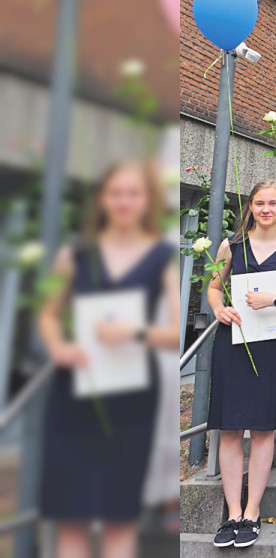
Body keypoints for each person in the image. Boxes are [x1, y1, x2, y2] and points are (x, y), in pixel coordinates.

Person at [37, 163, 182, 558]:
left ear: (146, 200)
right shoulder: (75, 254)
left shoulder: (162, 258)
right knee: (72, 516)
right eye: (115, 192)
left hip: (132, 397)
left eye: (133, 193)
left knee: (120, 517)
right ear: (102, 198)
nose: (123, 202)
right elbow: (48, 313)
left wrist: (134, 334)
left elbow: (175, 332)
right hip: (74, 393)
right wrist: (59, 348)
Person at [203, 180, 276, 548]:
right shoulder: (231, 244)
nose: (266, 209)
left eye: (273, 203)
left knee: (263, 427)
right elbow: (214, 287)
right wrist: (219, 309)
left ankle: (252, 512)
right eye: (259, 203)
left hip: (270, 343)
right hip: (232, 340)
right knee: (231, 427)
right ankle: (232, 512)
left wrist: (274, 300)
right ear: (249, 206)